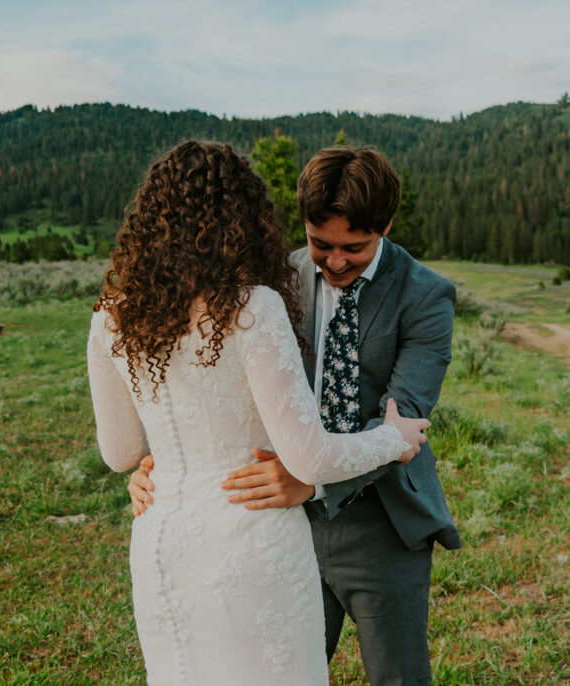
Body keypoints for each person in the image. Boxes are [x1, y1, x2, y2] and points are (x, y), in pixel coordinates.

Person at [87, 140, 431, 685]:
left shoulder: (111, 318)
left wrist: (163, 466)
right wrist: (394, 438)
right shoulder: (258, 304)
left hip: (164, 544)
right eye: (321, 243)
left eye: (353, 248)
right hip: (252, 541)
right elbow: (309, 455)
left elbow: (121, 451)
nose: (334, 261)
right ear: (245, 219)